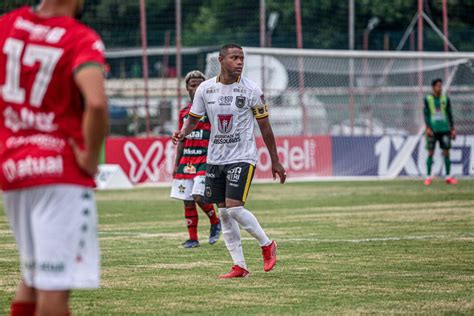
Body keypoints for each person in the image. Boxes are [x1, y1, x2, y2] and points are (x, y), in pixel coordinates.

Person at [0, 1, 108, 315]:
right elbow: (97, 103)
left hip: (15, 169)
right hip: (60, 173)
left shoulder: (7, 25)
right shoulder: (79, 38)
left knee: (32, 276)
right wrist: (90, 157)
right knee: (53, 288)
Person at [172, 43, 286, 278]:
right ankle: (240, 266)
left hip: (242, 156)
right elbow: (193, 119)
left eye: (242, 58)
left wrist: (275, 160)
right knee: (223, 213)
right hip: (214, 158)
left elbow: (265, 127)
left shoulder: (252, 90)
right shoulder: (206, 89)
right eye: (235, 58)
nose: (240, 62)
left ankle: (267, 245)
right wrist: (183, 132)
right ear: (221, 61)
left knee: (234, 209)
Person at [170, 70, 221, 248]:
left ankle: (215, 221)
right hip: (187, 161)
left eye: (200, 85)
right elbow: (181, 140)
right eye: (193, 85)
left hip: (206, 159)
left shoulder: (211, 108)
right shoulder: (184, 112)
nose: (196, 88)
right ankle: (193, 238)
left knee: (199, 196)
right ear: (187, 88)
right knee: (187, 200)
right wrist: (176, 164)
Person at [423, 78, 458, 186]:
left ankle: (448, 177)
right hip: (433, 130)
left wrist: (452, 128)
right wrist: (428, 127)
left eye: (441, 85)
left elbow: (449, 114)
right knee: (430, 152)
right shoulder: (427, 99)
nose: (440, 88)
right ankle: (428, 177)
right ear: (433, 87)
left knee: (446, 152)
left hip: (445, 130)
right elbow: (426, 114)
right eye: (438, 86)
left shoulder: (445, 99)